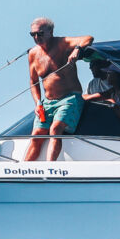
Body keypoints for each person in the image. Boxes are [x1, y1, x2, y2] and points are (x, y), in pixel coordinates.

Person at [25, 18, 93, 161]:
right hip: (47, 102)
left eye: (40, 33)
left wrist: (77, 49)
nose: (36, 37)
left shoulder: (63, 43)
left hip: (69, 98)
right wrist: (38, 103)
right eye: (33, 34)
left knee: (55, 129)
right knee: (36, 135)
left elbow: (88, 38)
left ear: (51, 32)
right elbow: (33, 81)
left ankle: (51, 166)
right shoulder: (33, 54)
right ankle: (23, 169)